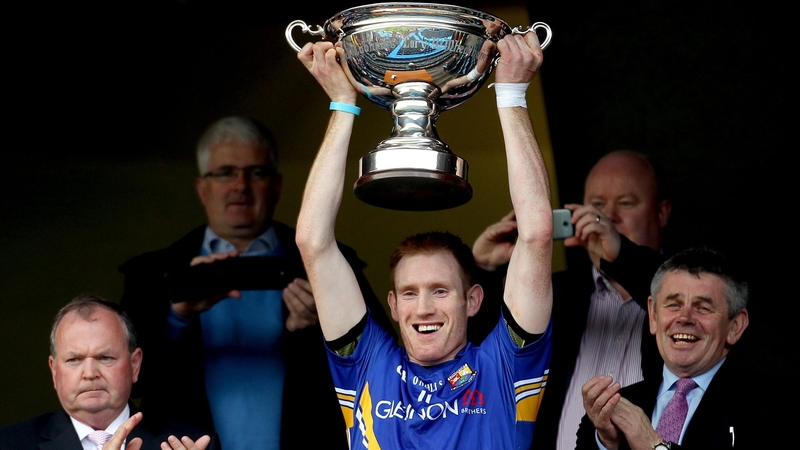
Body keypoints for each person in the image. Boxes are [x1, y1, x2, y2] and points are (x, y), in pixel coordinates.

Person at [294, 31, 553, 448]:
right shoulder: (365, 364)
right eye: (410, 293)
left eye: (440, 290)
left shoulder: (505, 367)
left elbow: (537, 234)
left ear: (472, 300)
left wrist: (511, 94)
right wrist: (342, 105)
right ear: (393, 306)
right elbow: (312, 242)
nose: (425, 308)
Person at [117, 116, 394, 450]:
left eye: (256, 172)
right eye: (225, 172)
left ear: (276, 186)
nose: (241, 186)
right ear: (202, 189)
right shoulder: (153, 274)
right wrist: (178, 315)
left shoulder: (330, 264)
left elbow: (386, 375)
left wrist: (325, 328)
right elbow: (129, 385)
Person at [470, 149, 671, 450]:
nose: (608, 216)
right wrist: (485, 269)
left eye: (626, 203)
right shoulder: (555, 294)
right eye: (597, 205)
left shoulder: (689, 289)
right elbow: (478, 355)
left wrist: (622, 256)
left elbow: (675, 296)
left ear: (661, 212)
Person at [576, 247, 778, 449]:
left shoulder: (773, 407)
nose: (684, 318)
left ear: (735, 326)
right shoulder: (614, 411)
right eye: (673, 304)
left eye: (703, 308)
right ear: (654, 316)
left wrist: (653, 444)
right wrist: (609, 444)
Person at [0, 294, 216, 450]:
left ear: (135, 365)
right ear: (54, 371)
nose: (90, 373)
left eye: (105, 358)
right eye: (74, 360)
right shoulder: (10, 443)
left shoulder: (192, 442)